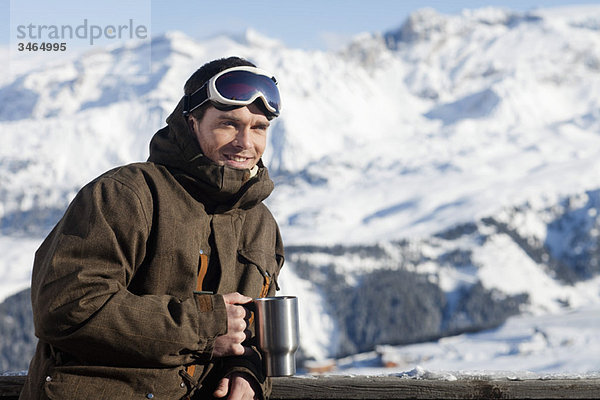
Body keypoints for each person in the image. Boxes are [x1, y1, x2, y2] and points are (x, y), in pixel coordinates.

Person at [20, 56, 285, 400]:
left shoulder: (261, 223)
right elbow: (66, 307)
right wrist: (205, 325)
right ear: (192, 123)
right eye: (228, 124)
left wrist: (249, 372)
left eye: (258, 127)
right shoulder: (127, 194)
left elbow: (252, 334)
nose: (245, 142)